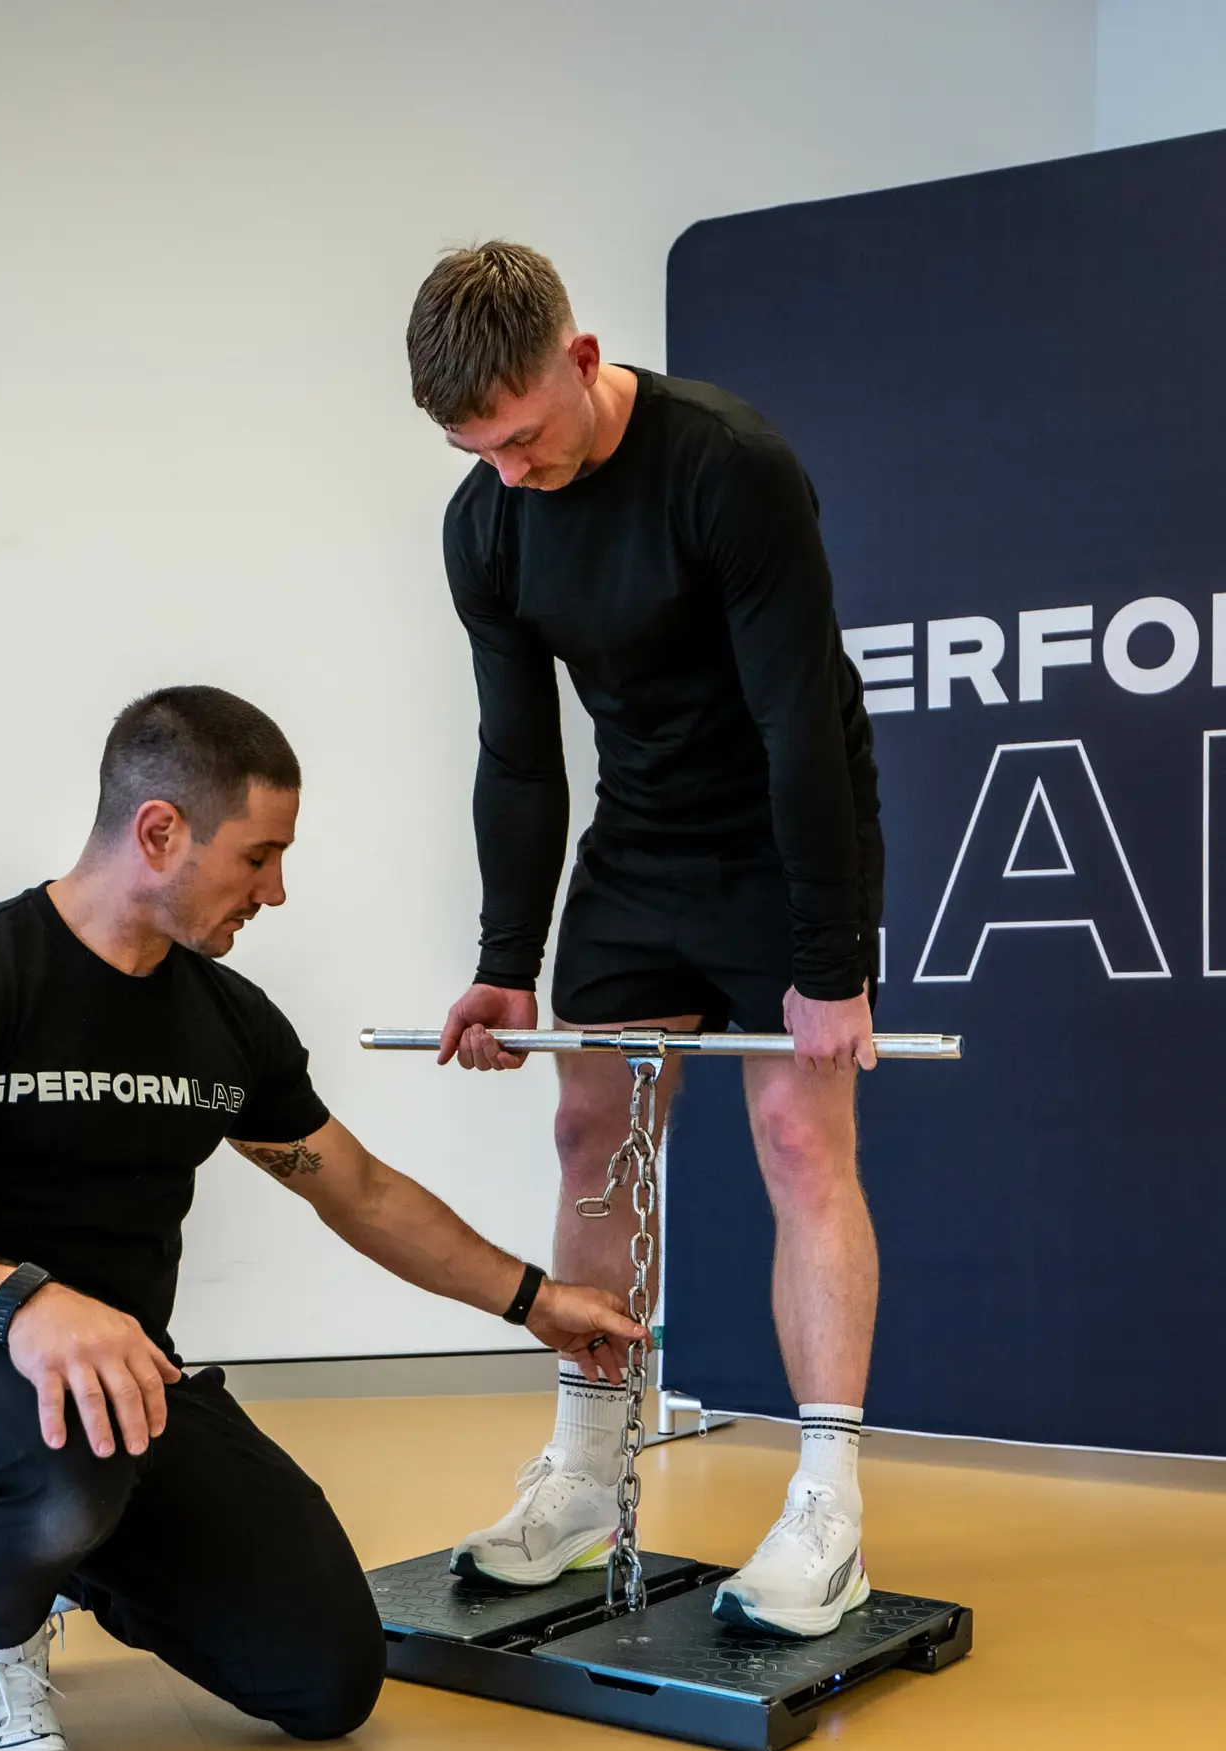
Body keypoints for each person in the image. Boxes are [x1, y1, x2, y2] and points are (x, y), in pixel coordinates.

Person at [0, 685, 642, 1751]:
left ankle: (67, 1551)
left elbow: (357, 1190)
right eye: (259, 856)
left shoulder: (225, 1020)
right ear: (160, 832)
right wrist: (24, 1305)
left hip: (125, 1380)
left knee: (325, 1676)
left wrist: (533, 1298)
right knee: (62, 1447)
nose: (276, 890)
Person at [407, 242, 884, 1638]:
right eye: (477, 451)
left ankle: (830, 1508)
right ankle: (583, 1465)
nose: (509, 471)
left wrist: (829, 956)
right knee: (590, 1136)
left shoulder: (729, 467)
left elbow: (800, 720)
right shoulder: (488, 523)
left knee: (799, 1142)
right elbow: (517, 751)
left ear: (582, 357)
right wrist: (506, 960)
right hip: (640, 846)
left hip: (783, 835)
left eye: (522, 437)